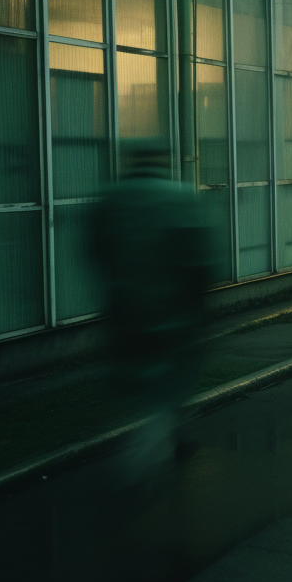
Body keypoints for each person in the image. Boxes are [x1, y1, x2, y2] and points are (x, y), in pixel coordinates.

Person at [91, 142, 215, 480]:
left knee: (144, 376)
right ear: (162, 162)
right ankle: (138, 460)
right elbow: (199, 258)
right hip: (171, 309)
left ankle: (178, 438)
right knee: (171, 380)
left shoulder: (111, 198)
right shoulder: (178, 196)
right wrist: (199, 301)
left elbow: (96, 248)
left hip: (126, 307)